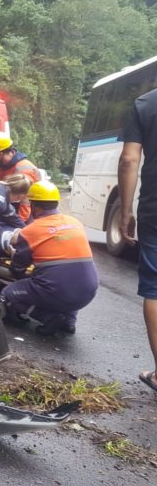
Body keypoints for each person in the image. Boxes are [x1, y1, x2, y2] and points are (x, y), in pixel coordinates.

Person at [1, 181, 99, 335]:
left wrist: (22, 271)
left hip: (58, 292)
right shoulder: (75, 222)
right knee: (71, 281)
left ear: (35, 207)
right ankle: (68, 322)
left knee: (7, 295)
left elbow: (18, 267)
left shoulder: (30, 231)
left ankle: (49, 318)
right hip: (88, 291)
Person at [118, 87, 157, 393]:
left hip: (155, 210)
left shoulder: (146, 103)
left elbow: (130, 160)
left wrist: (126, 210)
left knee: (156, 289)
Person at [0, 131, 41, 221]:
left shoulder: (23, 169)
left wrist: (20, 223)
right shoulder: (1, 165)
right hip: (13, 204)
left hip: (29, 212)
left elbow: (25, 202)